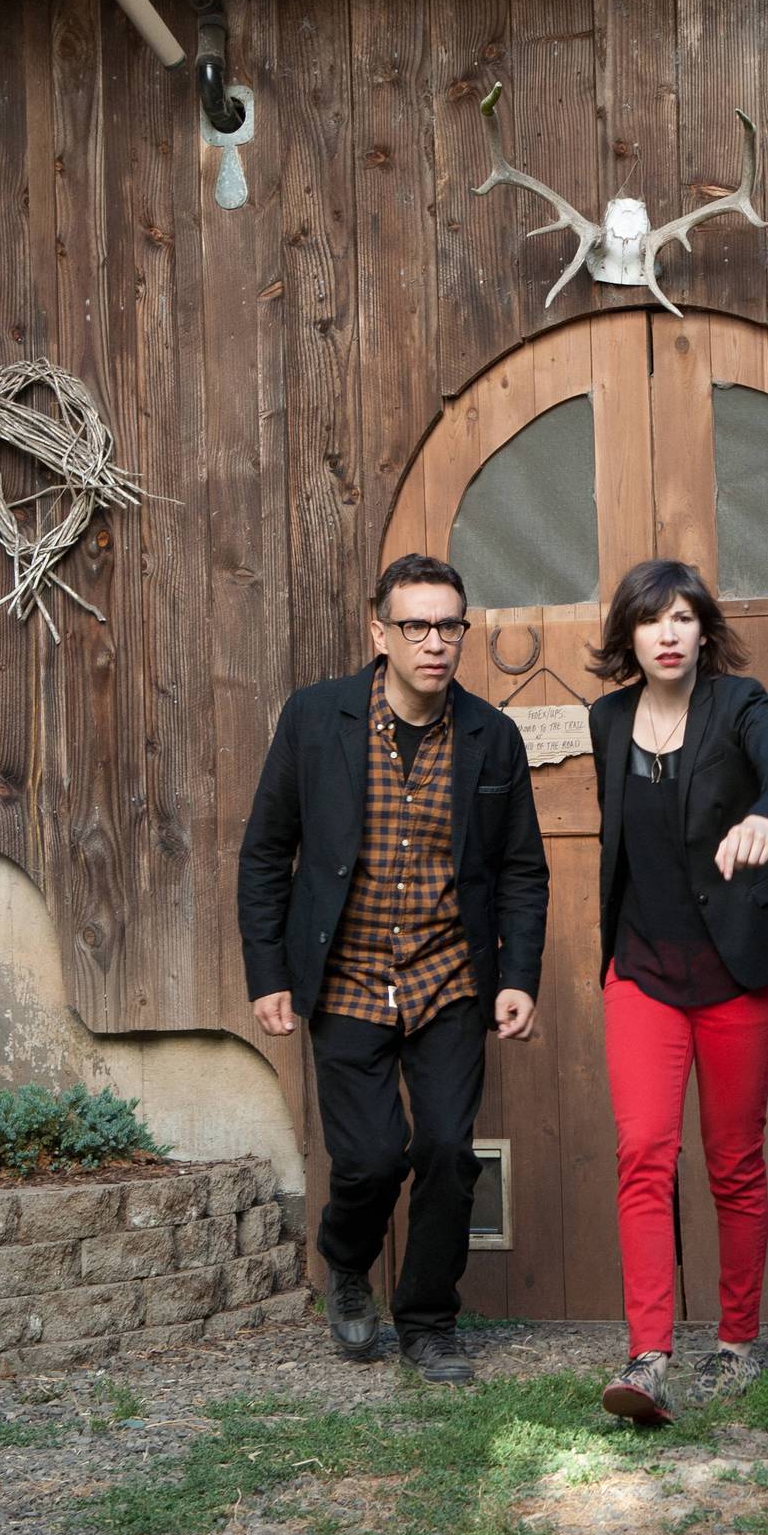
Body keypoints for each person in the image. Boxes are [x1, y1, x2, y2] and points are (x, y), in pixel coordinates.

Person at [237, 553, 548, 1383]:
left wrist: (519, 976)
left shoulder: (492, 736)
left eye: (450, 625)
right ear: (379, 632)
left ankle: (427, 1324)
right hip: (346, 975)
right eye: (415, 625)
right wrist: (269, 973)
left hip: (449, 975)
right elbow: (268, 852)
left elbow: (522, 868)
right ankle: (346, 1260)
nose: (435, 643)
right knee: (372, 1158)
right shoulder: (314, 719)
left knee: (447, 1151)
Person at [586, 559, 768, 1424]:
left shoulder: (740, 706)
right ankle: (648, 1355)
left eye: (683, 618)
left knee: (734, 1163)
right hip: (643, 971)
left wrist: (766, 818)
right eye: (651, 620)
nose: (667, 634)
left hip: (736, 972)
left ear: (704, 632)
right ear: (629, 634)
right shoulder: (607, 718)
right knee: (643, 1154)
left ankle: (737, 1341)